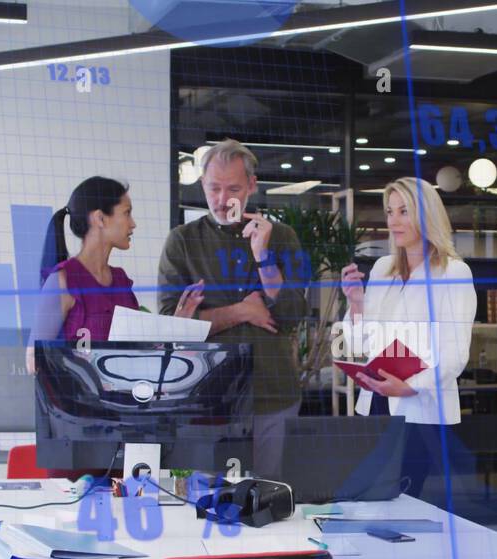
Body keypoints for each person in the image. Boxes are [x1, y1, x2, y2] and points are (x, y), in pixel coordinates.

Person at [29, 176, 202, 559]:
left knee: (110, 549)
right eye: (126, 212)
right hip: (71, 436)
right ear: (98, 219)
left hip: (117, 435)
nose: (133, 222)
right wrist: (86, 378)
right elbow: (34, 359)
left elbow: (139, 346)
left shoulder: (123, 281)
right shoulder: (62, 279)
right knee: (65, 557)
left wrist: (179, 322)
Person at [158, 139, 310, 479]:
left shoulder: (282, 238)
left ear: (252, 186)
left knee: (271, 503)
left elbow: (292, 315)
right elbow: (171, 326)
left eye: (233, 188)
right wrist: (242, 311)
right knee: (208, 509)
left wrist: (263, 258)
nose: (222, 199)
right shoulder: (182, 241)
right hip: (208, 398)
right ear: (202, 184)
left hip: (273, 396)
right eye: (214, 188)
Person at [340, 177, 477, 499]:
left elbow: (456, 354)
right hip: (374, 401)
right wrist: (356, 304)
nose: (393, 221)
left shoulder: (453, 272)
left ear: (426, 215)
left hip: (419, 409)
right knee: (365, 500)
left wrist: (411, 385)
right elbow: (354, 347)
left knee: (403, 504)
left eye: (404, 211)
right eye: (390, 212)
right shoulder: (382, 268)